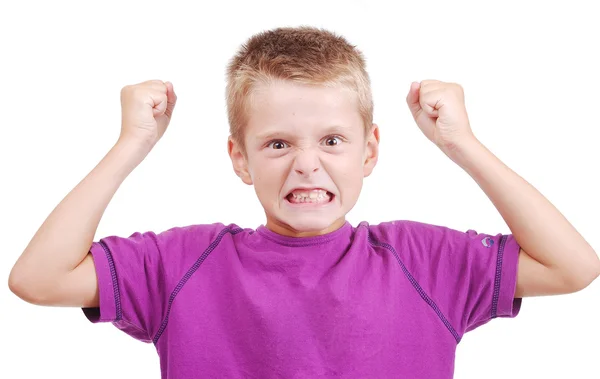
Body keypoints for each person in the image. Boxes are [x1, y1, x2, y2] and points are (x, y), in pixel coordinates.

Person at [8, 26, 600, 379]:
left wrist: (462, 143)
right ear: (239, 158)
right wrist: (131, 144)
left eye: (333, 140)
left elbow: (572, 267)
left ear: (370, 152)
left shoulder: (422, 259)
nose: (307, 163)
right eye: (277, 143)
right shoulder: (182, 263)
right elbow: (38, 279)